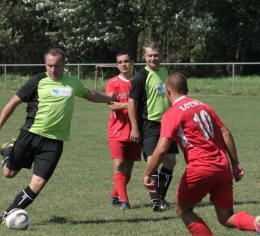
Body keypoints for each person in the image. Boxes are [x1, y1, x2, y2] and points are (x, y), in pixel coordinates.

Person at [143, 73, 260, 236]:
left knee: (183, 209)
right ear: (187, 91)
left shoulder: (172, 113)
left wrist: (148, 173)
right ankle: (256, 224)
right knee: (226, 217)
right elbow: (226, 134)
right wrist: (235, 163)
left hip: (200, 168)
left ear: (168, 91)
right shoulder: (204, 106)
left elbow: (162, 148)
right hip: (222, 168)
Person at [0, 47, 115, 224]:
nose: (53, 70)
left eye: (57, 66)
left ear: (64, 65)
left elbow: (90, 94)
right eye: (49, 66)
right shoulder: (37, 81)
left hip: (54, 143)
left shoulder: (72, 82)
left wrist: (107, 98)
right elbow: (12, 103)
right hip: (30, 135)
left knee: (38, 183)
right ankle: (9, 148)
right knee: (8, 173)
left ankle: (7, 214)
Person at [128, 42, 179, 211]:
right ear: (144, 57)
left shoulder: (165, 73)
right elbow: (131, 103)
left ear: (161, 55)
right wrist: (135, 128)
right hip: (149, 125)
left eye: (156, 55)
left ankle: (161, 197)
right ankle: (155, 200)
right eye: (149, 55)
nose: (153, 58)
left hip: (168, 123)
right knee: (153, 162)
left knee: (170, 161)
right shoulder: (140, 77)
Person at [106, 51, 141, 210]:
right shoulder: (112, 82)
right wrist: (132, 103)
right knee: (119, 164)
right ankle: (124, 201)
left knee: (128, 169)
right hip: (117, 130)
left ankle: (114, 196)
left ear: (133, 62)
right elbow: (112, 105)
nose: (123, 65)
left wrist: (126, 104)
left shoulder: (140, 81)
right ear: (116, 65)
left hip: (136, 130)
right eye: (120, 62)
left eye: (126, 61)